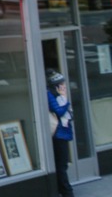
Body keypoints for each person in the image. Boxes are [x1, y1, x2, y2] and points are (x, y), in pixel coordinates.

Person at [47, 69, 75, 197]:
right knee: (61, 164)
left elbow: (70, 114)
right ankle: (66, 191)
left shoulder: (59, 96)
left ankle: (63, 189)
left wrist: (64, 98)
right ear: (56, 85)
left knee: (62, 163)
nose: (64, 86)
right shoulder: (50, 94)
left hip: (63, 132)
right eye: (62, 84)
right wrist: (65, 98)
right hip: (58, 133)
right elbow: (59, 111)